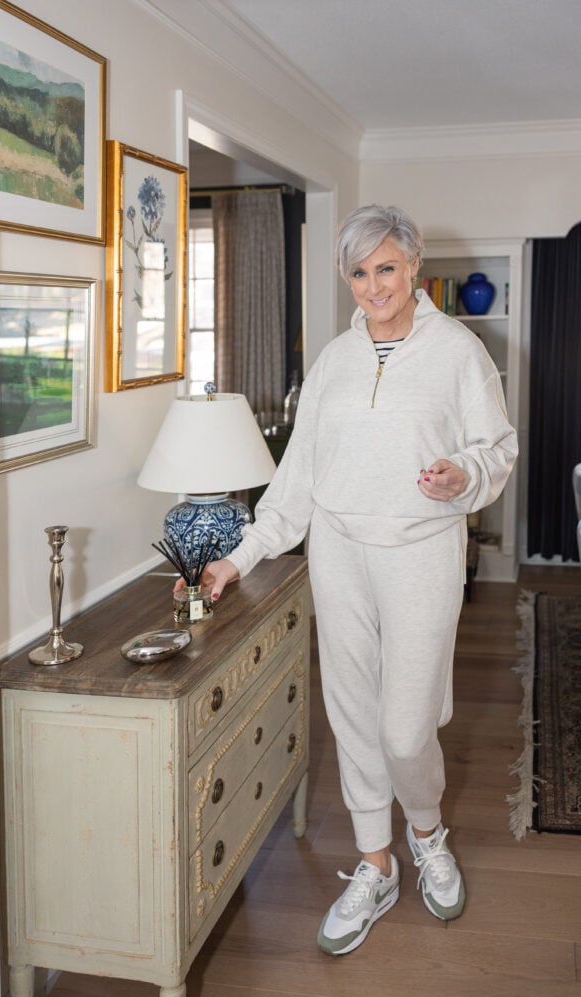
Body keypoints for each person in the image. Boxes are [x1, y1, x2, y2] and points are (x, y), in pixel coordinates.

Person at [184, 205, 518, 956]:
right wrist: (236, 559)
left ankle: (427, 832)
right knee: (353, 713)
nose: (375, 285)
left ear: (414, 265)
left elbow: (497, 447)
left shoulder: (458, 351)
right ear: (348, 276)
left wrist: (461, 472)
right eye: (360, 271)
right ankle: (376, 862)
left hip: (420, 549)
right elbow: (297, 482)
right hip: (336, 549)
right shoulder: (334, 360)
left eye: (388, 267)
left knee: (406, 726)